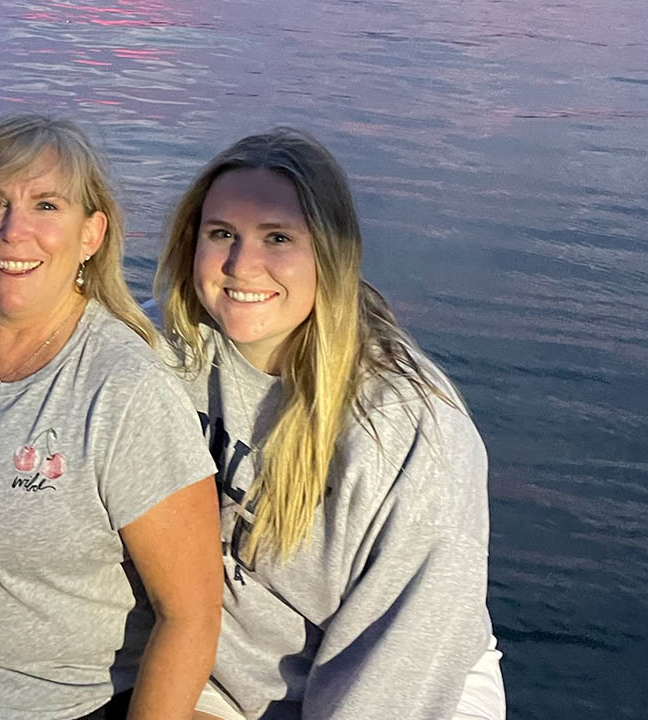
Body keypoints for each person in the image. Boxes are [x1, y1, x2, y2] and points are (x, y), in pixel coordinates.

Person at [0, 114, 222, 720]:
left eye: (46, 206)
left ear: (91, 234)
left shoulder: (125, 389)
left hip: (63, 708)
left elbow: (192, 615)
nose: (13, 231)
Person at [152, 127, 506, 720]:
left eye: (278, 238)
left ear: (330, 254)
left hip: (404, 680)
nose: (243, 265)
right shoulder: (169, 352)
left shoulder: (406, 433)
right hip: (218, 675)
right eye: (222, 235)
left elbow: (401, 664)